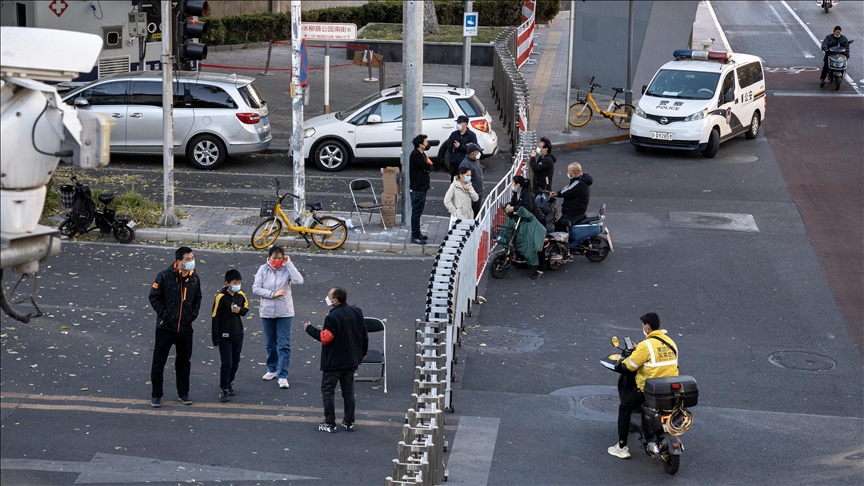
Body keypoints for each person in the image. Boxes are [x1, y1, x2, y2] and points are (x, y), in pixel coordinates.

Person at [608, 312, 679, 459]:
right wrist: (638, 350)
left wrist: (620, 365)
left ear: (647, 327)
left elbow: (630, 366)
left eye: (643, 326)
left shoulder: (645, 345)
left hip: (650, 389)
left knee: (625, 408)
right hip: (669, 388)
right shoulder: (671, 342)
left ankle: (621, 447)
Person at [303, 287, 368, 433]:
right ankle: (349, 422)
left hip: (334, 362)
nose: (327, 298)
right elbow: (363, 333)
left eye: (329, 296)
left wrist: (309, 328)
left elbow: (325, 338)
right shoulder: (357, 312)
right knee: (348, 391)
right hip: (351, 359)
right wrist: (363, 352)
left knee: (328, 391)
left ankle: (330, 423)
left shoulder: (332, 317)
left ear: (335, 300)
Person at [148, 246, 202, 408]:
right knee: (159, 362)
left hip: (185, 329)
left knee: (184, 362)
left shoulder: (194, 278)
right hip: (166, 328)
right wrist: (165, 315)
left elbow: (198, 298)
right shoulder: (164, 276)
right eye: (188, 259)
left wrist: (192, 315)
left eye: (192, 258)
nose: (191, 261)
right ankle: (156, 395)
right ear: (178, 262)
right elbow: (154, 297)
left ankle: (183, 393)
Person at [252, 246, 304, 389]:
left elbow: (299, 280)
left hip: (284, 312)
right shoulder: (263, 269)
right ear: (269, 257)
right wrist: (272, 294)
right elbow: (255, 288)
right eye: (274, 258)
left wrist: (289, 264)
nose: (276, 261)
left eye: (279, 258)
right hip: (267, 312)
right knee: (270, 343)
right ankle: (272, 369)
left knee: (283, 344)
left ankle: (283, 374)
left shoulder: (287, 268)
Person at [211, 269, 249, 402]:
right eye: (234, 282)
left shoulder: (240, 295)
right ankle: (223, 389)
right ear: (227, 283)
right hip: (224, 336)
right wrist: (216, 339)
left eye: (239, 282)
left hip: (238, 334)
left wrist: (241, 310)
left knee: (235, 363)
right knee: (227, 363)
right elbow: (215, 318)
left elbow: (246, 308)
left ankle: (229, 382)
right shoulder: (220, 297)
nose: (237, 285)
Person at [504, 196, 547, 280]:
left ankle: (540, 270)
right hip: (526, 221)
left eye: (513, 182)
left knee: (537, 244)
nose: (512, 184)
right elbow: (513, 202)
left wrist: (514, 208)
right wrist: (508, 205)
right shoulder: (518, 193)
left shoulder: (527, 194)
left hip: (537, 221)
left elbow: (527, 207)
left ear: (518, 184)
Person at [550, 162, 593, 232]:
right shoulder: (582, 180)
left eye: (568, 171)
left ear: (573, 172)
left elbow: (566, 192)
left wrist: (563, 190)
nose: (567, 173)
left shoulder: (578, 183)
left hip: (573, 213)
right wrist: (557, 193)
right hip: (575, 211)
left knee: (556, 228)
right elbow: (570, 191)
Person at [409, 133, 433, 245]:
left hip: (422, 186)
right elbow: (427, 167)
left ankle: (418, 233)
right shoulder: (416, 155)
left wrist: (428, 168)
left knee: (419, 211)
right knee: (416, 212)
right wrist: (427, 168)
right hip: (417, 187)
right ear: (420, 145)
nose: (427, 144)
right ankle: (414, 234)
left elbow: (430, 166)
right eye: (426, 142)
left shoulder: (422, 154)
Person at [445, 115, 478, 180]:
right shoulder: (454, 134)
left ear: (465, 124)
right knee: (454, 179)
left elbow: (472, 149)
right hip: (454, 162)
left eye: (459, 123)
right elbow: (450, 146)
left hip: (465, 162)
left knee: (464, 179)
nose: (458, 124)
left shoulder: (471, 135)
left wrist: (460, 146)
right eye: (457, 123)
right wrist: (465, 146)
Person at [458, 143, 485, 218]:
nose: (479, 154)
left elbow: (479, 173)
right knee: (471, 214)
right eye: (477, 152)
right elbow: (463, 180)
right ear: (472, 153)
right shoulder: (465, 164)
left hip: (478, 190)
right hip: (471, 193)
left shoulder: (475, 160)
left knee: (477, 212)